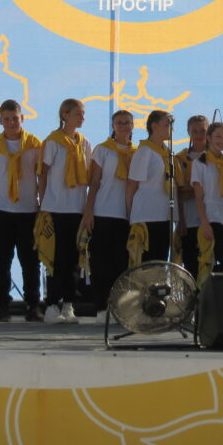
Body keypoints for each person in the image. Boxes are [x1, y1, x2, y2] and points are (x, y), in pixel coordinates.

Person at [0, 99, 43, 323]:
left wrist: (42, 208)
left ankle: (33, 305)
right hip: (0, 211)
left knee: (31, 262)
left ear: (22, 118)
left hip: (28, 211)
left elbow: (41, 177)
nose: (11, 123)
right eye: (6, 119)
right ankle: (3, 306)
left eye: (15, 118)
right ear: (0, 121)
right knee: (1, 262)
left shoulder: (35, 145)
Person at [39, 98, 92, 324]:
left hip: (77, 208)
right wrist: (42, 204)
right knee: (56, 257)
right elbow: (43, 174)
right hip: (55, 207)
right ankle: (52, 304)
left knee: (73, 258)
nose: (82, 117)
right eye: (77, 113)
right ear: (65, 115)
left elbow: (89, 176)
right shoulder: (53, 141)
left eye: (83, 114)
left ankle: (69, 304)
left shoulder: (84, 143)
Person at [82, 110, 136, 324]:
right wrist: (88, 211)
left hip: (126, 215)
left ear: (133, 126)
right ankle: (101, 308)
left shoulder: (137, 152)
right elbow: (94, 182)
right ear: (113, 126)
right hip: (103, 212)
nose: (123, 126)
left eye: (127, 123)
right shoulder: (103, 150)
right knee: (100, 263)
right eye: (119, 123)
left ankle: (119, 307)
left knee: (121, 263)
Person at [127, 110, 174, 263]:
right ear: (154, 126)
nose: (171, 129)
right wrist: (130, 215)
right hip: (146, 214)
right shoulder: (145, 151)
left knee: (161, 261)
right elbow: (132, 185)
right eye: (167, 125)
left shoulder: (167, 153)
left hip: (164, 214)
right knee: (146, 262)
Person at [192, 121, 223, 273]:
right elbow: (199, 196)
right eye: (218, 136)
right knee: (222, 259)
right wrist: (204, 223)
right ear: (209, 138)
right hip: (213, 217)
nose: (222, 140)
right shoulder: (200, 163)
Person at [176, 115, 208, 278]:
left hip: (212, 220)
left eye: (203, 130)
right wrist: (181, 220)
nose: (199, 134)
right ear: (188, 132)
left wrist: (193, 190)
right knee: (191, 265)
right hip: (189, 220)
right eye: (195, 131)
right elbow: (178, 192)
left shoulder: (218, 157)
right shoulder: (179, 159)